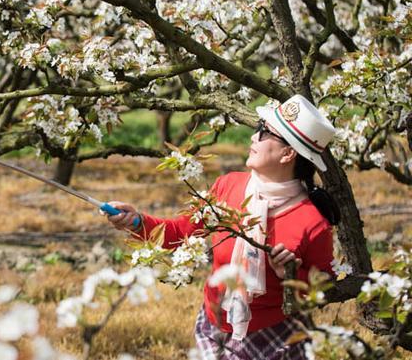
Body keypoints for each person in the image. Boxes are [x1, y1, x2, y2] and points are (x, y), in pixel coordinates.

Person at [105, 95, 340, 360]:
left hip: (275, 341)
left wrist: (291, 275)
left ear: (288, 154)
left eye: (264, 133)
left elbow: (326, 289)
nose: (253, 138)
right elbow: (181, 233)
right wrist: (136, 222)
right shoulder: (227, 186)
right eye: (257, 128)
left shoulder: (312, 222)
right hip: (213, 327)